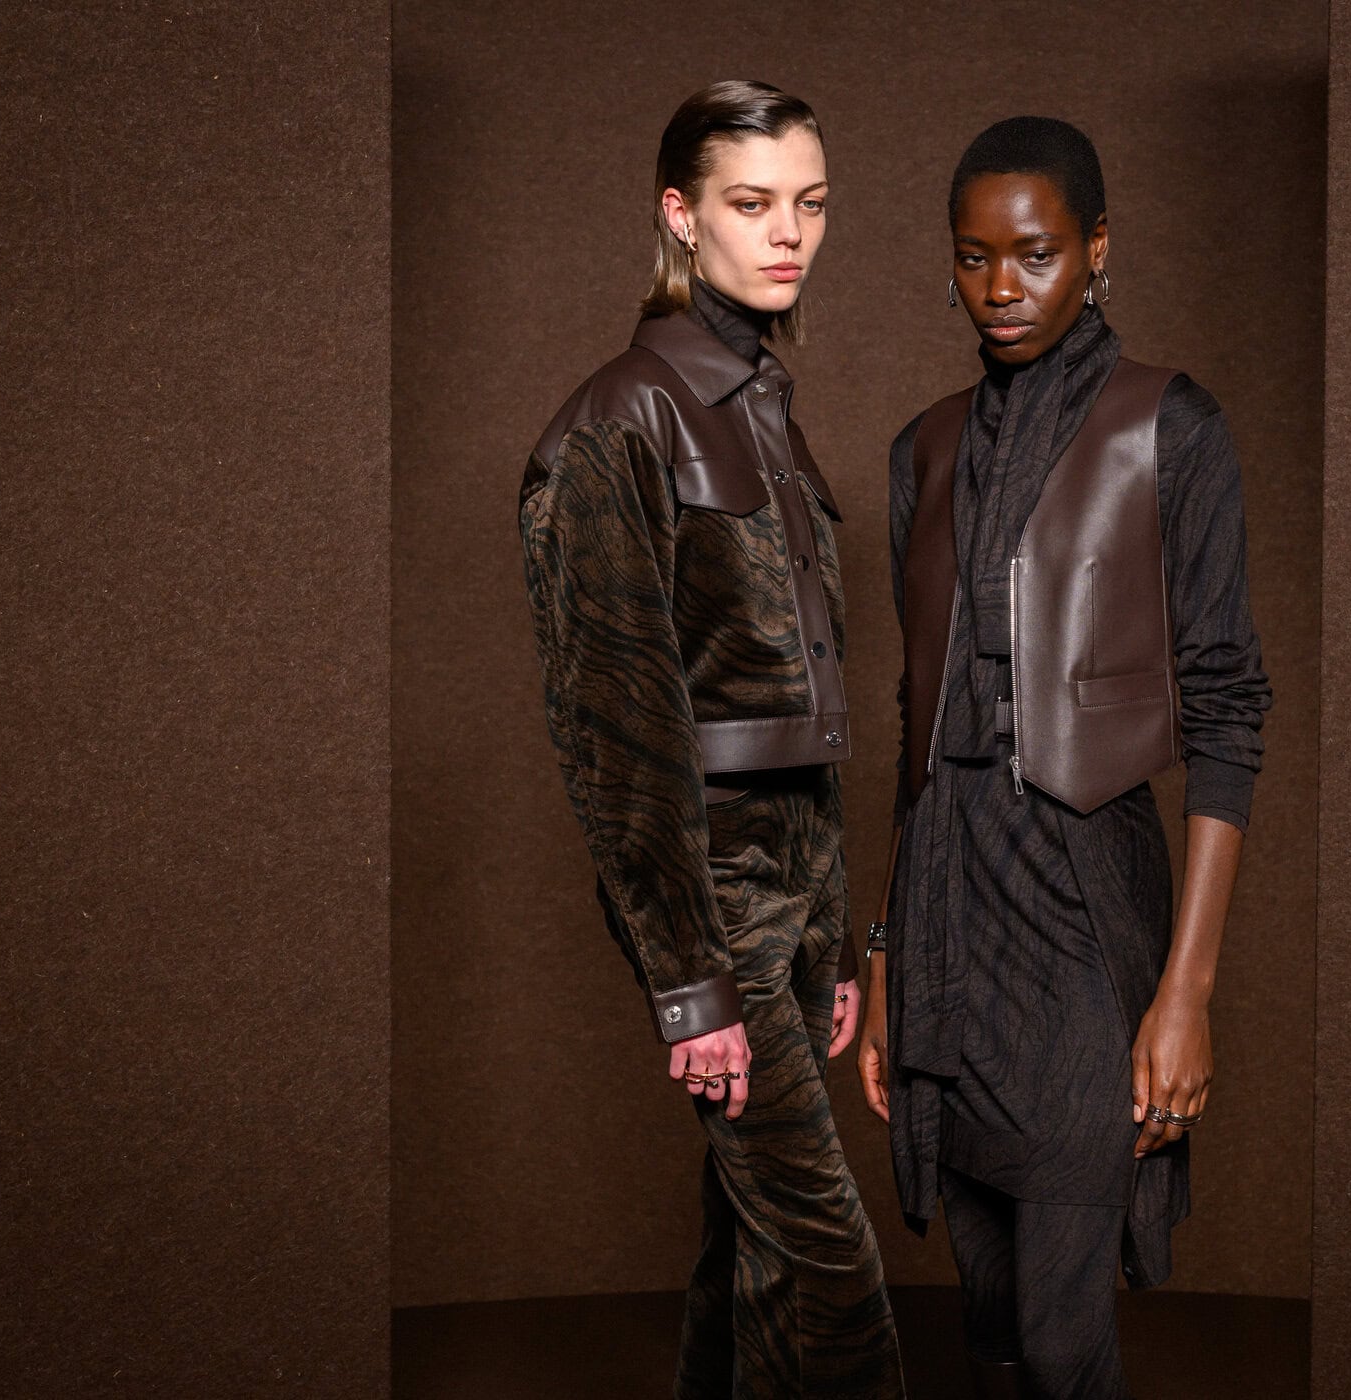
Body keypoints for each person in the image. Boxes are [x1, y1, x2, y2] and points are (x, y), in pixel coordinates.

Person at [857, 116, 1272, 1400]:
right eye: (972, 257)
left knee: (1061, 1340)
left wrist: (1187, 991)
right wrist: (884, 956)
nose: (1001, 286)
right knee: (988, 1322)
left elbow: (1229, 711)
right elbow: (916, 722)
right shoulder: (923, 450)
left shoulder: (1170, 426)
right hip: (949, 921)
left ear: (1097, 249)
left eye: (1034, 254)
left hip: (1085, 926)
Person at [519, 80, 903, 1399]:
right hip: (712, 887)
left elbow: (807, 710)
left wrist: (835, 929)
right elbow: (617, 729)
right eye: (752, 204)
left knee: (751, 1246)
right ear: (681, 216)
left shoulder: (764, 410)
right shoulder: (617, 422)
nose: (789, 234)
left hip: (793, 883)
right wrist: (689, 981)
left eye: (811, 204)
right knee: (830, 1265)